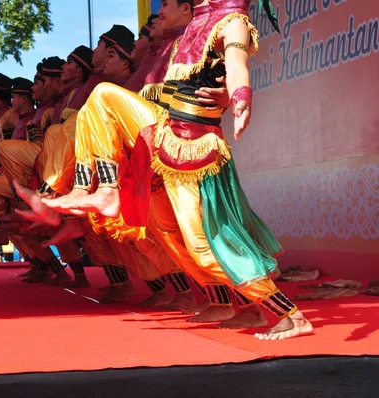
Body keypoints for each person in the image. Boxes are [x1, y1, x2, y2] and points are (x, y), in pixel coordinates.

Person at [44, 0, 313, 340]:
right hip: (169, 138)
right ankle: (244, 307)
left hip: (194, 146)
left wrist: (240, 97)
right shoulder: (192, 31)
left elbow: (236, 61)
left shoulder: (232, 21)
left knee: (204, 245)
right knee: (173, 239)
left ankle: (289, 314)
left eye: (168, 3)